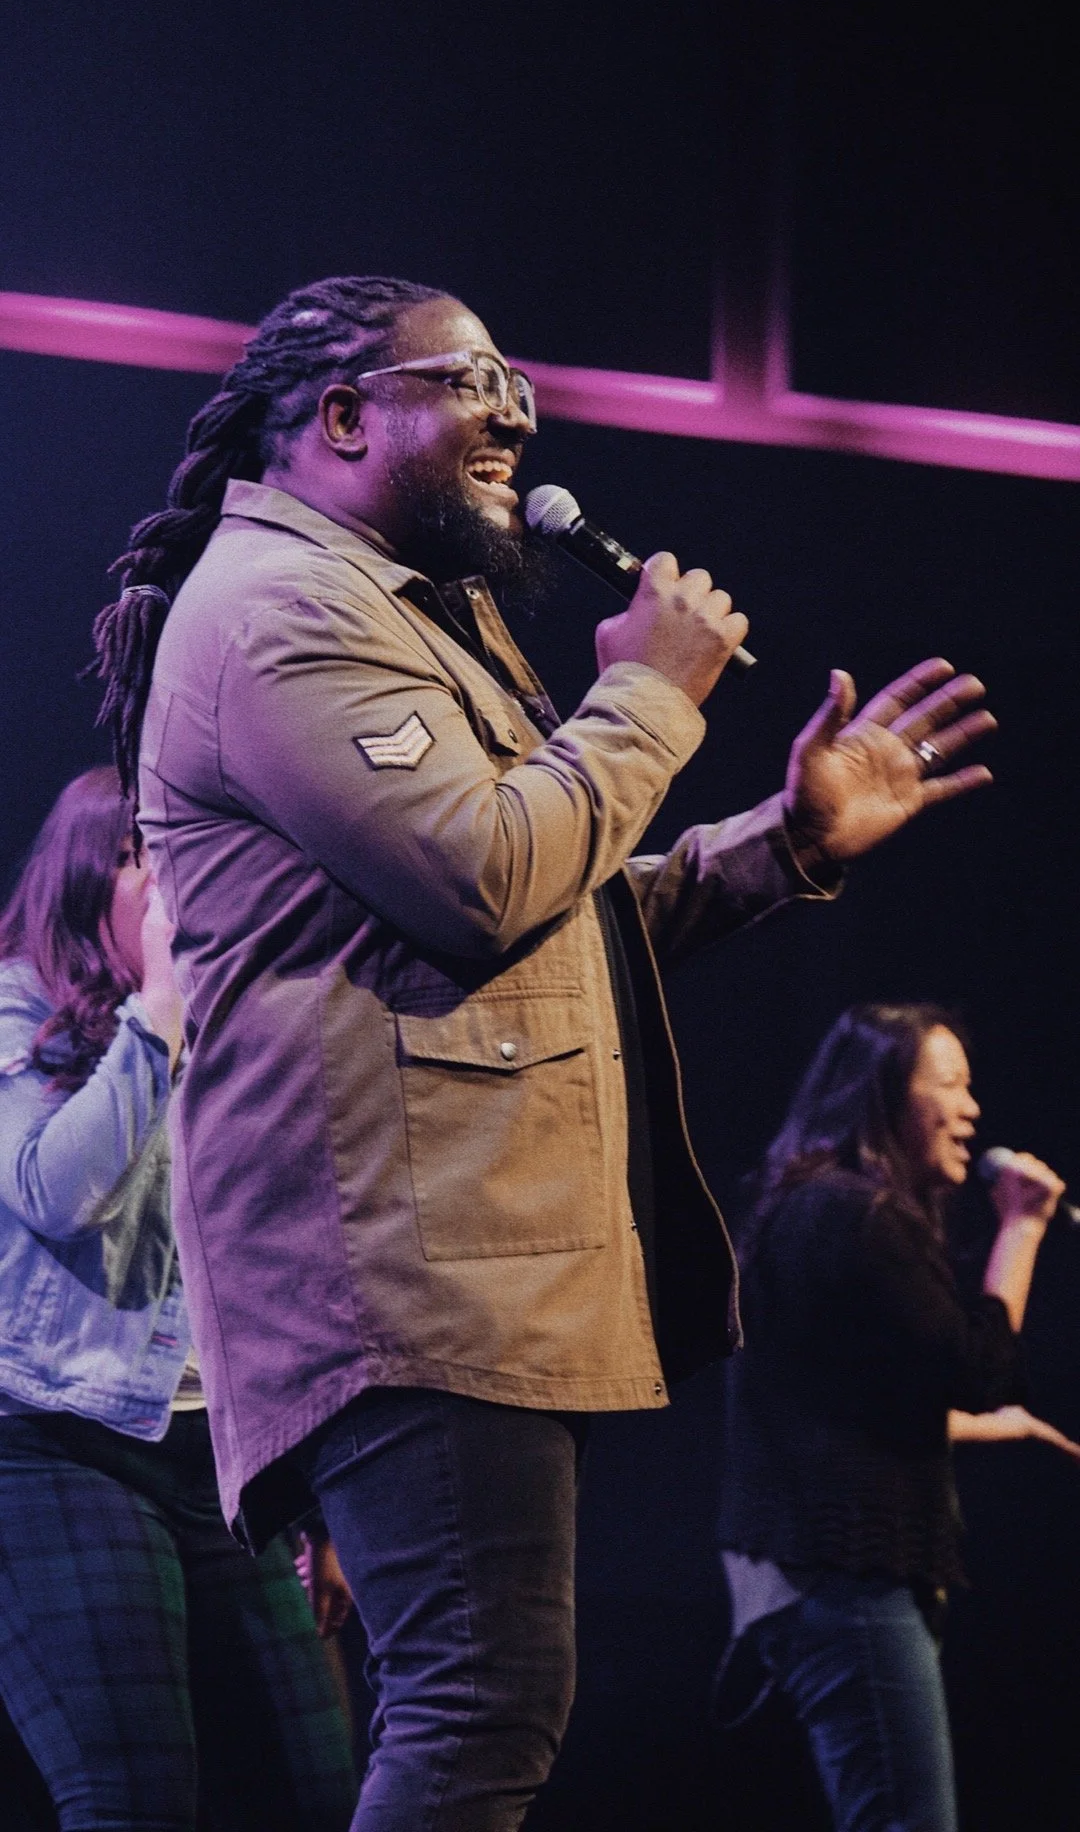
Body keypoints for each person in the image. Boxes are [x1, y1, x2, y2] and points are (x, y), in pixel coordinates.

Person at [91, 273, 995, 1831]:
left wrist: (788, 840)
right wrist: (648, 690)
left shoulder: (391, 609)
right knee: (481, 1706)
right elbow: (486, 875)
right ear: (346, 415)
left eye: (517, 375)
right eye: (472, 377)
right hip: (398, 1266)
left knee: (482, 1701)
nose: (517, 407)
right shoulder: (278, 611)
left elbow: (554, 905)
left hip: (446, 1260)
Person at [0, 766, 357, 1832]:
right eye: (134, 859)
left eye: (182, 857)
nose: (169, 886)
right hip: (50, 1446)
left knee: (322, 1787)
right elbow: (57, 1193)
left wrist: (318, 1496)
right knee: (136, 1795)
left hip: (223, 1464)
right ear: (80, 880)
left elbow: (287, 1266)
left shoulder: (237, 1026)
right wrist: (155, 1012)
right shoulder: (17, 1005)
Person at [715, 1002, 1068, 1832]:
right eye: (948, 1083)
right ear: (879, 1095)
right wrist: (1023, 1227)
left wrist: (1003, 1430)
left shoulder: (817, 1208)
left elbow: (849, 1403)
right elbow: (974, 1370)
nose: (972, 1107)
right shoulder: (852, 1215)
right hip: (842, 1575)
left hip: (821, 1574)